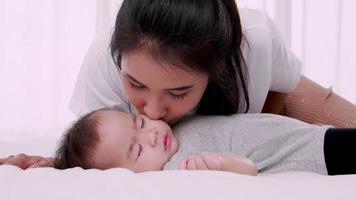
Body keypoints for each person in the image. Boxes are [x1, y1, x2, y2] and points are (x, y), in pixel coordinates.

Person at [1, 0, 356, 168]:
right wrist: (52, 165)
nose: (153, 112)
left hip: (275, 103)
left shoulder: (256, 45)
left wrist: (271, 136)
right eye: (136, 85)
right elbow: (96, 148)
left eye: (178, 92)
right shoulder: (106, 60)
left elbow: (284, 91)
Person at [53, 109, 356, 175]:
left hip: (316, 135)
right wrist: (222, 165)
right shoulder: (177, 170)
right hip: (316, 155)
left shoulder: (172, 123)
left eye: (140, 123)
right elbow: (248, 173)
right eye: (138, 149)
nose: (152, 134)